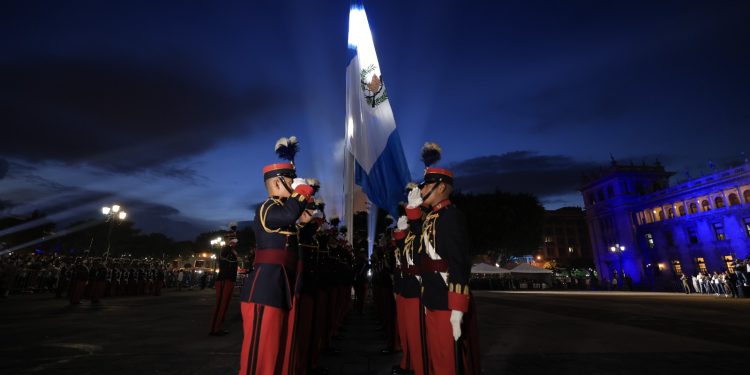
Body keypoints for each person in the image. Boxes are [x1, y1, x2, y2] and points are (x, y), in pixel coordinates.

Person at [238, 136, 315, 375]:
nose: (293, 184)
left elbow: (296, 225)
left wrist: (305, 212)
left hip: (281, 288)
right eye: (290, 180)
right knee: (260, 357)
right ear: (277, 182)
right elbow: (286, 217)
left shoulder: (284, 211)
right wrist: (302, 193)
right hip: (266, 289)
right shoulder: (267, 207)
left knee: (278, 352)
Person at [408, 142, 480, 374]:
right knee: (437, 356)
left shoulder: (451, 217)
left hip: (446, 299)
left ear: (440, 187)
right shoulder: (433, 217)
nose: (422, 189)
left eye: (427, 184)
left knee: (448, 361)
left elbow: (459, 263)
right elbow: (420, 248)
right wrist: (413, 212)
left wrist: (458, 308)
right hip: (432, 295)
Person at [210, 223, 239, 336]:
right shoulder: (225, 250)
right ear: (227, 240)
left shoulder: (230, 250)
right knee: (220, 305)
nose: (234, 240)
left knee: (225, 305)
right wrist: (232, 230)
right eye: (231, 238)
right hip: (224, 280)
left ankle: (219, 327)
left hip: (229, 279)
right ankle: (215, 329)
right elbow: (232, 242)